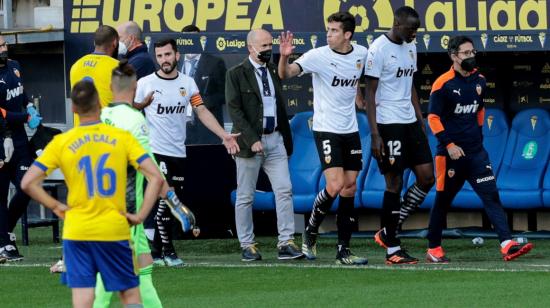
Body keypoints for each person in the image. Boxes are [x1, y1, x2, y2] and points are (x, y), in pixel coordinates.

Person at [21, 80, 163, 307]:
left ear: (74, 109)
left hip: (77, 230)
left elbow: (28, 182)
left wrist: (56, 206)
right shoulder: (121, 137)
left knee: (84, 299)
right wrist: (140, 215)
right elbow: (155, 177)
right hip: (114, 229)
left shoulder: (62, 141)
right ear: (100, 104)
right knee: (130, 295)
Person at [426, 35, 533, 263]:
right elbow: (433, 118)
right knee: (442, 201)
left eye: (472, 52)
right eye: (466, 53)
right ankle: (433, 248)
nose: (471, 56)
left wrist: (478, 135)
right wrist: (450, 145)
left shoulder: (480, 81)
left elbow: (480, 110)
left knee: (491, 195)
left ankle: (507, 244)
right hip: (450, 155)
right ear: (454, 56)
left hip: (476, 154)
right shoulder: (442, 84)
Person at [136, 38, 239, 266]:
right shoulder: (145, 83)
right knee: (167, 198)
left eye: (168, 55)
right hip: (155, 151)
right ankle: (168, 251)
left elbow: (201, 110)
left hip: (178, 152)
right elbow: (130, 111)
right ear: (156, 58)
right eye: (160, 56)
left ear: (177, 56)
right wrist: (140, 108)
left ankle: (156, 252)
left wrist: (224, 135)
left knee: (170, 200)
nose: (164, 60)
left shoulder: (188, 83)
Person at [278, 12, 369, 265]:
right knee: (335, 185)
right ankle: (310, 232)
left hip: (350, 129)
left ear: (347, 35)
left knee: (350, 186)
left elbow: (356, 79)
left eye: (334, 31)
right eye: (328, 30)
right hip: (326, 128)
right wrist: (284, 56)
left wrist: (359, 98)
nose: (328, 34)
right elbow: (285, 74)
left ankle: (344, 250)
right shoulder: (318, 56)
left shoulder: (361, 53)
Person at [364, 6, 434, 265]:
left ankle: (388, 228)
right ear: (396, 24)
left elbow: (411, 84)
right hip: (388, 123)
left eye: (416, 29)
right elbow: (370, 95)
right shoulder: (378, 49)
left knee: (427, 177)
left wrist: (420, 116)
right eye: (410, 29)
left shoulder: (411, 46)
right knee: (394, 184)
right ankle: (392, 248)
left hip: (409, 121)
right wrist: (374, 134)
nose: (414, 33)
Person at [93, 60, 166, 308]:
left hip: (96, 207)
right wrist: (172, 198)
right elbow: (151, 170)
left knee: (141, 274)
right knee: (124, 275)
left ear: (110, 87)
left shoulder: (99, 117)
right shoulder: (135, 121)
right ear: (135, 86)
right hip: (126, 211)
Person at [227, 29, 303, 262]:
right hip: (250, 143)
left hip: (276, 139)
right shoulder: (236, 73)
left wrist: (284, 56)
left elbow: (284, 74)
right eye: (264, 46)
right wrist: (252, 139)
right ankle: (247, 244)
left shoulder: (272, 69)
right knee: (246, 196)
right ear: (250, 47)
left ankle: (286, 242)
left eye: (270, 45)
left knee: (284, 190)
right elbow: (235, 110)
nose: (268, 49)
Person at [0, 35, 42, 261]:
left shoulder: (15, 66)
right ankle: (4, 244)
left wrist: (29, 106)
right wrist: (26, 116)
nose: (3, 49)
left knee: (28, 185)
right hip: (1, 141)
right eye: (0, 46)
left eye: (4, 44)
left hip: (19, 139)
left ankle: (5, 232)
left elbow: (21, 92)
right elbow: (2, 114)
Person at [70, 25, 151, 126]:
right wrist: (143, 104)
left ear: (95, 42)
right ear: (115, 43)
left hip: (81, 133)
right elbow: (126, 104)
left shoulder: (76, 66)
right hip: (108, 134)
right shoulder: (118, 67)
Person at [181, 25, 227, 145]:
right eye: (187, 40)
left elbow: (225, 94)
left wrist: (200, 103)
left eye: (194, 39)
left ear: (200, 40)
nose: (190, 43)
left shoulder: (215, 63)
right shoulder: (173, 63)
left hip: (207, 129)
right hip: (179, 128)